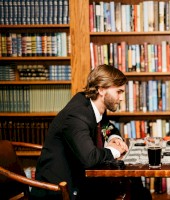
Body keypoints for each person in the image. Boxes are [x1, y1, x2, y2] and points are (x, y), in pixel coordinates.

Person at [30, 64, 151, 200]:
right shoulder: (77, 115)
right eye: (119, 92)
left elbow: (108, 126)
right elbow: (90, 159)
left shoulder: (93, 105)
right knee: (136, 191)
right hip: (61, 189)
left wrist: (113, 138)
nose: (122, 98)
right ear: (101, 89)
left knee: (138, 188)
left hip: (82, 178)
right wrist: (114, 151)